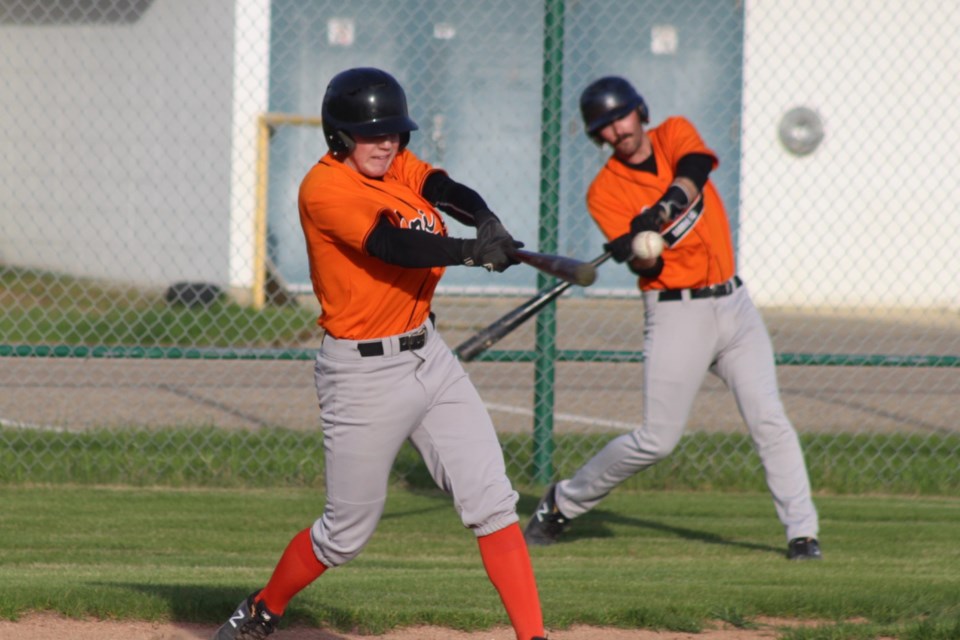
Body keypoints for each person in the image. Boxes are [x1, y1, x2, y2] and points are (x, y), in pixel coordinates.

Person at [213, 67, 548, 640]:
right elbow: (393, 244)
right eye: (371, 134)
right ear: (339, 136)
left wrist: (486, 219)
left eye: (393, 133)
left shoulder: (397, 167)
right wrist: (472, 251)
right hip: (364, 375)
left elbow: (444, 190)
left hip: (430, 356)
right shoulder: (324, 189)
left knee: (493, 503)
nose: (386, 143)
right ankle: (264, 609)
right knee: (344, 533)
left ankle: (534, 637)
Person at [523, 76, 821, 561]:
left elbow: (696, 169)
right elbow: (652, 267)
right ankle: (562, 502)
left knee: (769, 420)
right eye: (605, 126)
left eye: (621, 116)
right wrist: (637, 250)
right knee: (657, 440)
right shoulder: (605, 192)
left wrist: (660, 212)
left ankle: (802, 535)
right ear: (598, 136)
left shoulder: (674, 133)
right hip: (678, 314)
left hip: (735, 304)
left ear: (639, 111)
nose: (617, 130)